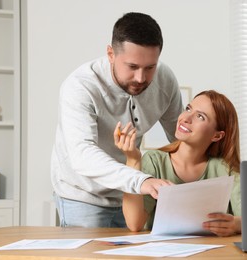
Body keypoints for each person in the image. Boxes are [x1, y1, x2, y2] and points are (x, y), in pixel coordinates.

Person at [51, 12, 184, 228]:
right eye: (132, 67)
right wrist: (141, 181)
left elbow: (180, 140)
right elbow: (82, 154)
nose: (141, 78)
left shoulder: (165, 79)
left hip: (134, 196)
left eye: (150, 67)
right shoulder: (80, 86)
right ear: (110, 53)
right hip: (84, 196)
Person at [114, 90, 242, 237]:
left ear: (217, 135)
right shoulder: (154, 161)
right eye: (188, 109)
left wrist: (236, 224)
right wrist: (133, 160)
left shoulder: (227, 169)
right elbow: (134, 224)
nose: (186, 118)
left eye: (200, 116)